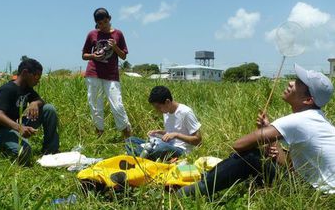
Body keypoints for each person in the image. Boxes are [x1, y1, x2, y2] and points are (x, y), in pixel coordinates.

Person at [179, 64, 335, 198]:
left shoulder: (298, 120)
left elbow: (238, 145)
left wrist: (265, 134)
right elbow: (291, 167)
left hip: (312, 191)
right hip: (319, 193)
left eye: (298, 83)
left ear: (308, 100)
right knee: (264, 158)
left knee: (251, 156)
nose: (290, 82)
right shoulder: (319, 120)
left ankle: (198, 188)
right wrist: (269, 134)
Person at [0, 58, 60, 166]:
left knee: (48, 109)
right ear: (25, 73)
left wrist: (35, 103)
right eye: (36, 76)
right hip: (0, 130)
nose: (38, 80)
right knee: (25, 152)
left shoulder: (27, 89)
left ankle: (50, 151)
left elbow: (41, 101)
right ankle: (4, 150)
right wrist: (19, 128)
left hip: (16, 125)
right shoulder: (8, 89)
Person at [82, 7, 131, 137]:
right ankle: (99, 136)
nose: (102, 26)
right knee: (95, 106)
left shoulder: (118, 34)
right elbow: (84, 55)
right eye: (99, 24)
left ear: (109, 18)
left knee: (117, 105)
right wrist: (93, 56)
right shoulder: (92, 34)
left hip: (111, 75)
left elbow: (123, 56)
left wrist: (115, 46)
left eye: (104, 22)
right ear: (96, 23)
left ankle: (127, 136)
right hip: (94, 73)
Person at [125, 86, 202, 161]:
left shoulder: (186, 112)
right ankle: (148, 156)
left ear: (167, 102)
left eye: (158, 107)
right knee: (130, 140)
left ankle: (142, 156)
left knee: (161, 148)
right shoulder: (166, 112)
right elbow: (171, 132)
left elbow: (198, 140)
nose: (157, 110)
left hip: (181, 150)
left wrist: (176, 135)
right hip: (166, 145)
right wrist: (158, 132)